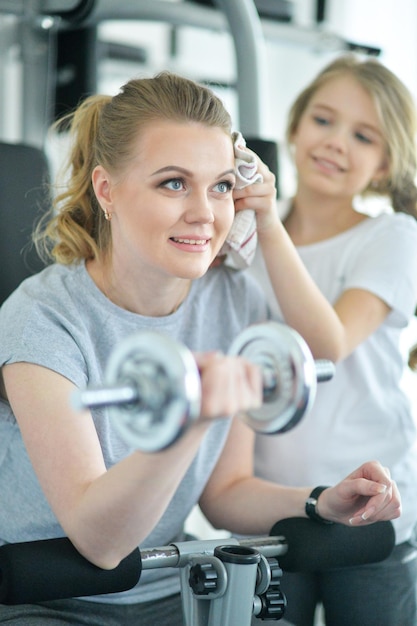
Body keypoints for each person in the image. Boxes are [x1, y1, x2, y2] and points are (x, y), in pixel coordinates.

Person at [0, 71, 400, 625]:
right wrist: (191, 418)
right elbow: (98, 540)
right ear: (106, 189)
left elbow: (226, 491)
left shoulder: (231, 298)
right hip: (51, 600)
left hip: (172, 592)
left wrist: (317, 501)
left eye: (218, 186)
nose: (205, 214)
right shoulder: (40, 321)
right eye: (172, 183)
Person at [250, 54, 417, 626]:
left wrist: (268, 226)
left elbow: (329, 343)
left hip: (370, 517)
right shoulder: (237, 237)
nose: (335, 142)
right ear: (294, 127)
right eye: (322, 120)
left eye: (362, 135)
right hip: (265, 510)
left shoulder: (391, 237)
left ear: (384, 164)